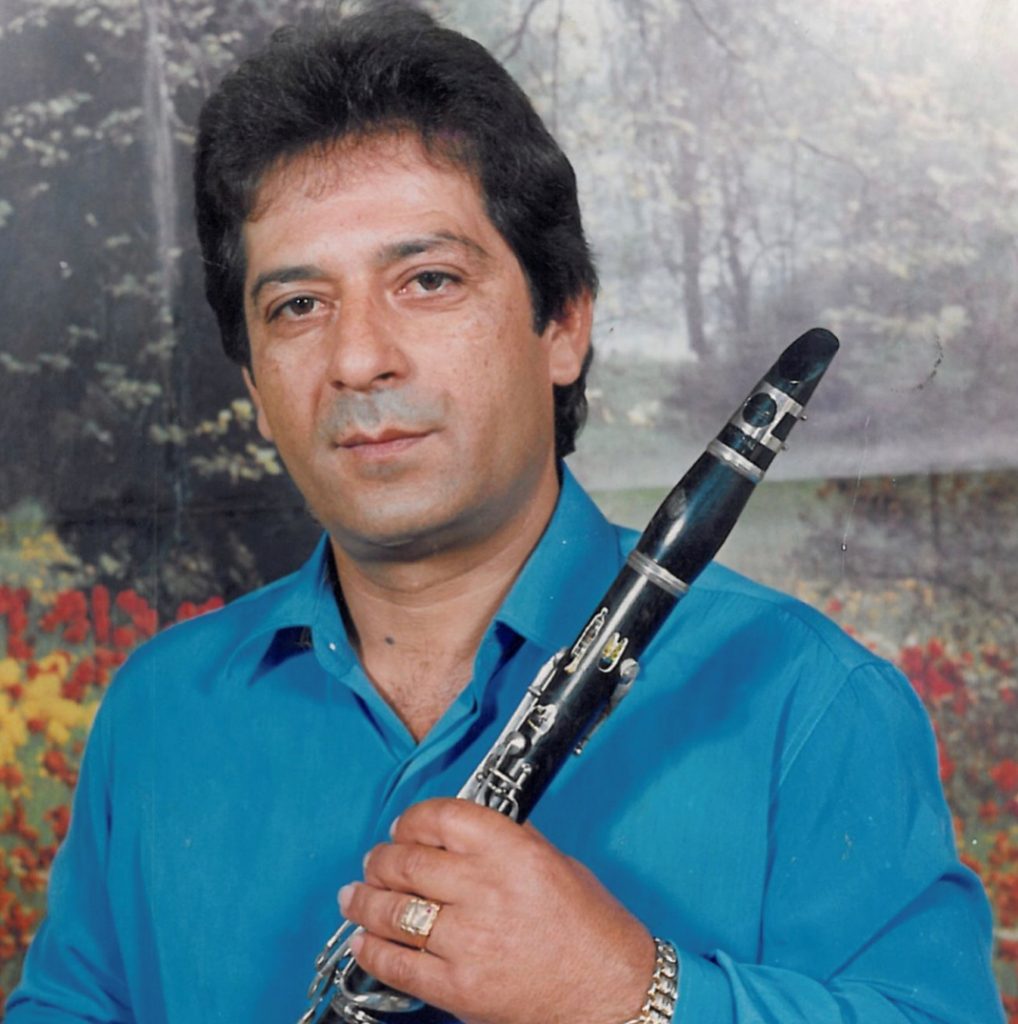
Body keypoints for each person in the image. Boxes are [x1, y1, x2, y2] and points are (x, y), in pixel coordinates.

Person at [7, 5, 1003, 1023]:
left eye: (427, 280)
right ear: (256, 386)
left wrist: (624, 993)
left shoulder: (809, 699)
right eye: (298, 305)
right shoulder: (159, 710)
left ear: (562, 323)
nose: (358, 359)